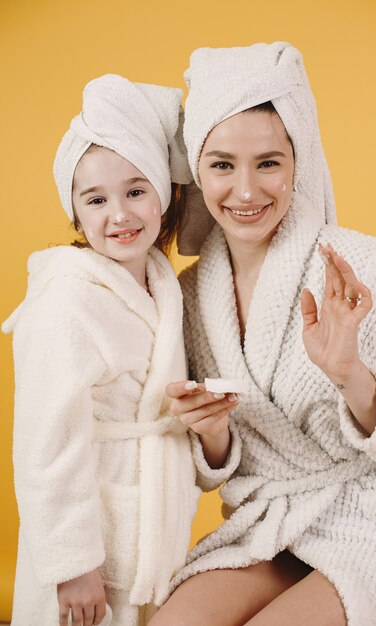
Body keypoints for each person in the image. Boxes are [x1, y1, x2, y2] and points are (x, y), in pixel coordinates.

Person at [149, 42, 376, 626]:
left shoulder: (361, 267)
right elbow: (216, 465)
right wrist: (214, 435)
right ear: (197, 168)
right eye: (222, 165)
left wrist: (352, 375)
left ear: (300, 161)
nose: (246, 192)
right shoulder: (191, 295)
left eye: (268, 162)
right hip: (271, 522)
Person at [2, 74, 201, 626]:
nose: (120, 214)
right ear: (75, 211)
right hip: (89, 553)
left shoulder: (162, 287)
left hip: (152, 535)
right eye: (97, 198)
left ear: (165, 194)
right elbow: (47, 444)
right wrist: (73, 565)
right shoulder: (63, 302)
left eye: (137, 190)